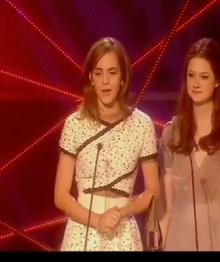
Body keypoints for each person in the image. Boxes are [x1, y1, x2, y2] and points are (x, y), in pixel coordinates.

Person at [54, 37, 160, 251]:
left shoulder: (142, 125)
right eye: (98, 73)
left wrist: (121, 213)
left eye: (112, 73)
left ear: (123, 78)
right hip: (82, 232)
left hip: (123, 232)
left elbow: (153, 191)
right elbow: (61, 196)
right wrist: (96, 220)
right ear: (90, 78)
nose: (105, 81)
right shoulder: (75, 124)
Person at [158, 38, 220, 251]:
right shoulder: (172, 134)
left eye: (204, 77)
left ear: (217, 80)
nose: (196, 84)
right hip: (177, 242)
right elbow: (167, 207)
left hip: (218, 242)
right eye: (191, 76)